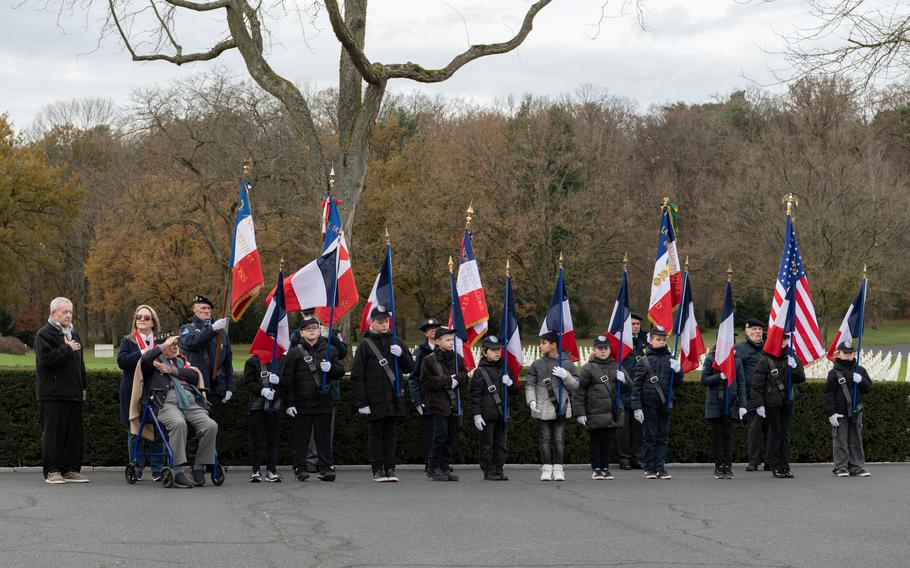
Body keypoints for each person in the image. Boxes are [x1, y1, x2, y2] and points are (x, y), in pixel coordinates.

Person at [139, 335, 218, 489]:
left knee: (211, 425)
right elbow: (145, 360)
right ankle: (178, 470)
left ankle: (199, 467)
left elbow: (194, 376)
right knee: (178, 423)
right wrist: (162, 347)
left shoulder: (181, 362)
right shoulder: (153, 363)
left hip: (188, 401)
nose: (175, 347)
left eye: (176, 344)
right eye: (171, 344)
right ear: (162, 347)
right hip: (165, 402)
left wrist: (172, 370)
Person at [351, 305, 416, 482]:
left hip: (393, 396)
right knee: (376, 433)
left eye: (387, 321)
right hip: (375, 397)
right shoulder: (365, 345)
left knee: (390, 434)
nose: (385, 324)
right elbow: (358, 375)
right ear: (371, 322)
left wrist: (402, 354)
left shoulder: (397, 341)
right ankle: (377, 468)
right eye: (380, 321)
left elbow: (410, 368)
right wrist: (362, 402)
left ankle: (390, 467)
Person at [283, 316, 345, 482]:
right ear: (302, 333)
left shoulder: (330, 350)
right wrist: (289, 403)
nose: (312, 331)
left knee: (323, 437)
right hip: (302, 401)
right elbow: (288, 380)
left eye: (314, 328)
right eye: (307, 329)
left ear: (319, 331)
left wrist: (331, 368)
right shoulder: (294, 353)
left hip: (324, 400)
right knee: (301, 437)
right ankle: (300, 467)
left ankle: (325, 468)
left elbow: (340, 372)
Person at [35, 297, 89, 484]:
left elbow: (79, 363)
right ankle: (52, 471)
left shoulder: (73, 333)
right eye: (64, 312)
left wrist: (83, 386)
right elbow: (46, 360)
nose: (68, 315)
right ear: (53, 313)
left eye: (70, 312)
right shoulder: (44, 334)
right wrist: (66, 348)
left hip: (73, 393)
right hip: (52, 393)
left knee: (73, 434)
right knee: (53, 435)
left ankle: (70, 470)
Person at [117, 304, 165, 482]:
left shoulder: (161, 341)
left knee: (157, 430)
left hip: (156, 390)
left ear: (153, 322)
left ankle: (158, 470)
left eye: (146, 317)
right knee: (134, 430)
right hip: (132, 390)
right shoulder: (127, 341)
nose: (142, 320)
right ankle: (135, 468)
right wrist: (144, 352)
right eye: (139, 317)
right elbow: (122, 361)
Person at [524, 330, 580, 481]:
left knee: (559, 439)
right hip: (542, 407)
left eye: (543, 343)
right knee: (545, 438)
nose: (540, 346)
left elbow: (576, 386)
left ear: (554, 345)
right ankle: (546, 468)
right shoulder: (537, 364)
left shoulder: (567, 363)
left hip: (560, 407)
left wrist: (566, 376)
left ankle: (558, 468)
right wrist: (531, 400)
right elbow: (529, 385)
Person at [752, 333, 806, 479]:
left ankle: (785, 465)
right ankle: (775, 465)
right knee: (776, 434)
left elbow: (801, 378)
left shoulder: (792, 356)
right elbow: (758, 384)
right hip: (772, 401)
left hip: (787, 400)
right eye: (781, 338)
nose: (784, 341)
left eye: (786, 338)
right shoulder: (766, 358)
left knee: (785, 435)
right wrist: (759, 404)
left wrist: (795, 367)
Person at [631, 327, 683, 480]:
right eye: (658, 339)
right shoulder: (644, 361)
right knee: (650, 437)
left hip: (665, 404)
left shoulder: (670, 359)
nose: (661, 342)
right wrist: (637, 407)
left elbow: (677, 384)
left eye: (663, 340)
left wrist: (678, 371)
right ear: (651, 340)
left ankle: (660, 468)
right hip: (648, 404)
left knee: (662, 437)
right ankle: (649, 468)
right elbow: (637, 386)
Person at [573, 336, 625, 480]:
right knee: (596, 441)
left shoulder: (617, 366)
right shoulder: (587, 368)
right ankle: (596, 469)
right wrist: (579, 413)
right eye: (600, 349)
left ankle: (605, 468)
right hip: (594, 411)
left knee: (607, 442)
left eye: (605, 348)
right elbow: (579, 391)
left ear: (609, 350)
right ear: (594, 350)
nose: (603, 351)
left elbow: (630, 387)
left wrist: (625, 380)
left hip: (610, 412)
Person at [420, 326, 467, 481]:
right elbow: (426, 382)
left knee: (450, 436)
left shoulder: (456, 358)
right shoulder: (429, 360)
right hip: (437, 402)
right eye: (447, 340)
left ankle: (445, 467)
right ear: (438, 341)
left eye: (452, 339)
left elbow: (464, 376)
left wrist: (457, 379)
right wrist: (448, 380)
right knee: (440, 434)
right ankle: (433, 467)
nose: (451, 342)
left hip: (452, 402)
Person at [825, 341, 873, 477]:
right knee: (841, 440)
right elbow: (829, 394)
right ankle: (841, 467)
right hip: (840, 412)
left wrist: (861, 381)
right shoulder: (834, 373)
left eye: (851, 353)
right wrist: (831, 413)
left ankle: (857, 467)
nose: (848, 355)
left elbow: (869, 388)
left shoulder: (860, 370)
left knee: (856, 440)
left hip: (856, 411)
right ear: (838, 354)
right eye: (845, 353)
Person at [179, 294, 235, 409]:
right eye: (203, 308)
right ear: (195, 309)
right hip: (196, 387)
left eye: (208, 308)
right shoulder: (187, 329)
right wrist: (213, 329)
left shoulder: (221, 333)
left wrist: (230, 387)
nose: (206, 311)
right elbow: (193, 342)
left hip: (217, 388)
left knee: (214, 424)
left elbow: (227, 362)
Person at [470, 335, 514, 481]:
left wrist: (511, 384)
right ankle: (488, 470)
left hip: (501, 414)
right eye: (493, 350)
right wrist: (477, 414)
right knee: (487, 444)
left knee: (501, 444)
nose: (497, 353)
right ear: (484, 352)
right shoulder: (479, 372)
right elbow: (475, 396)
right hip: (487, 415)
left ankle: (498, 468)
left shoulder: (505, 369)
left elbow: (513, 392)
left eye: (499, 350)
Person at [700, 345, 747, 479]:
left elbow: (741, 383)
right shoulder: (711, 359)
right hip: (715, 403)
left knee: (727, 436)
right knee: (717, 435)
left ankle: (728, 465)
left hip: (731, 403)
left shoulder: (736, 361)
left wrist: (743, 404)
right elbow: (704, 380)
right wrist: (719, 376)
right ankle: (718, 465)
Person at [242, 353, 284, 483]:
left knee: (273, 439)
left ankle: (271, 470)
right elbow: (247, 382)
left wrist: (279, 382)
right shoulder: (253, 361)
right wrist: (261, 390)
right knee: (257, 440)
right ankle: (255, 470)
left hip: (275, 405)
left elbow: (289, 380)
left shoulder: (282, 360)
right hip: (257, 406)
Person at [409, 317, 441, 476]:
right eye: (430, 330)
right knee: (430, 433)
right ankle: (430, 462)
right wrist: (417, 401)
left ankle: (442, 462)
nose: (433, 331)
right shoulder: (420, 351)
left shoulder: (445, 348)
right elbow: (414, 378)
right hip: (427, 397)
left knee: (444, 431)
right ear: (426, 333)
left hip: (443, 398)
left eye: (435, 328)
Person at [736, 318, 768, 471]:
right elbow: (736, 372)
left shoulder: (768, 347)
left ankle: (770, 460)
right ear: (747, 332)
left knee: (771, 430)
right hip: (751, 396)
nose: (757, 332)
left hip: (769, 395)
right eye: (754, 330)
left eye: (760, 330)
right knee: (755, 430)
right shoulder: (741, 348)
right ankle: (754, 461)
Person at [618, 312, 647, 470]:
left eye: (637, 324)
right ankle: (624, 458)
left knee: (639, 428)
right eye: (632, 324)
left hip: (639, 392)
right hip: (623, 391)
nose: (635, 326)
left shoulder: (645, 343)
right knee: (623, 429)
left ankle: (637, 457)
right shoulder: (620, 343)